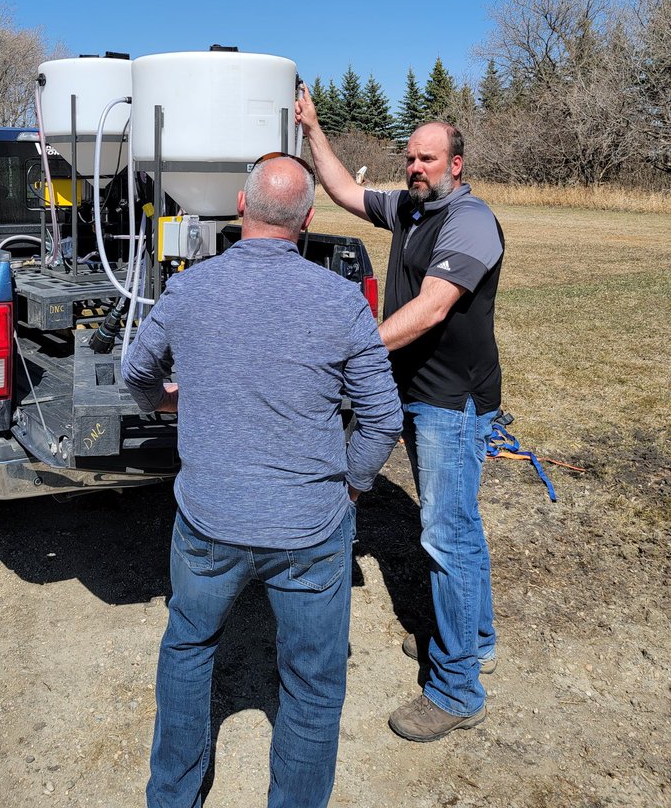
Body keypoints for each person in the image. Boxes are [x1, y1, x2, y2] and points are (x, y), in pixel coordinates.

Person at [122, 154, 402, 808]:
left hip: (208, 521)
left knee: (188, 649)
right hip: (311, 529)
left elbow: (137, 376)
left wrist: (172, 402)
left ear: (242, 208)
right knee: (311, 686)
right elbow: (383, 416)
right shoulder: (338, 299)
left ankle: (172, 797)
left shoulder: (189, 288)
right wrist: (354, 484)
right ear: (307, 220)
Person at [296, 86, 504, 743]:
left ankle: (456, 689)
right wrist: (313, 129)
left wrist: (355, 345)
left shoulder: (470, 220)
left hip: (452, 401)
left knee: (446, 535)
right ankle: (475, 638)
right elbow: (341, 192)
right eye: (410, 157)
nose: (415, 167)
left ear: (456, 165)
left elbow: (435, 306)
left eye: (428, 158)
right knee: (456, 527)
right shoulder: (411, 211)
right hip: (418, 392)